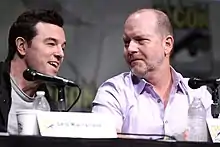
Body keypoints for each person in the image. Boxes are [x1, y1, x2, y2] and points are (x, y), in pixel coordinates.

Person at [92, 8, 212, 138]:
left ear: (167, 44)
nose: (130, 49)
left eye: (140, 40)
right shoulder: (113, 91)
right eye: (127, 42)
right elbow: (104, 140)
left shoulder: (198, 94)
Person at [0, 9, 66, 134]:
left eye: (62, 47)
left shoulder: (48, 104)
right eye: (51, 44)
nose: (60, 54)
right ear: (22, 46)